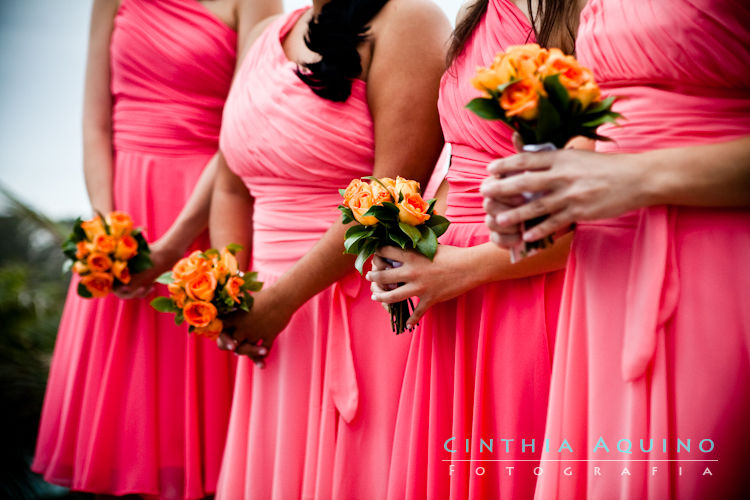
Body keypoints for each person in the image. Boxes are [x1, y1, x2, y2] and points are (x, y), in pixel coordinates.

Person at [482, 0, 750, 497]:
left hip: (717, 261)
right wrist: (543, 197)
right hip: (604, 277)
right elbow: (610, 123)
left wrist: (637, 177)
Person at [32, 0, 280, 497]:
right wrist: (108, 231)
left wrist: (169, 250)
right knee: (117, 424)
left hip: (207, 210)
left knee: (199, 430)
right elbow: (95, 122)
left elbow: (243, 124)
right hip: (123, 213)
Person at [208, 0, 450, 498]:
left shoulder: (409, 21)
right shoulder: (266, 37)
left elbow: (392, 190)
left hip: (355, 307)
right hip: (269, 325)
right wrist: (231, 293)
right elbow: (231, 188)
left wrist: (281, 302)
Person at [366, 1, 585, 497]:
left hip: (525, 283)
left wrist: (466, 267)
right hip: (453, 292)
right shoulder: (480, 11)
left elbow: (599, 216)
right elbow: (461, 156)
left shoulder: (586, 13)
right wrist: (412, 240)